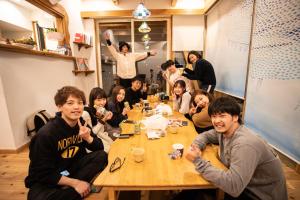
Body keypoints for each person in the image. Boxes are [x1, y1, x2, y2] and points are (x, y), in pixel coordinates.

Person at [185, 97, 287, 200]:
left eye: (222, 116)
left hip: (257, 195)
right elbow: (205, 136)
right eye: (214, 116)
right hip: (243, 187)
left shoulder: (245, 144)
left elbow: (233, 186)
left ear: (235, 117)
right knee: (193, 188)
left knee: (197, 187)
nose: (216, 121)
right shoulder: (224, 131)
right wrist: (196, 147)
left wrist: (198, 161)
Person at [25, 86, 108, 200]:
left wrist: (88, 137)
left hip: (71, 168)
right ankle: (79, 188)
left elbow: (99, 148)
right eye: (70, 103)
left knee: (102, 156)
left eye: (80, 103)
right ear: (59, 107)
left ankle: (74, 189)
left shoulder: (81, 123)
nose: (76, 107)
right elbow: (43, 173)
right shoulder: (45, 134)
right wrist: (76, 183)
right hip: (51, 176)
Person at [82, 87, 119, 152]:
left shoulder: (100, 109)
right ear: (92, 100)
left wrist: (106, 117)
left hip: (103, 136)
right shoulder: (86, 113)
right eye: (98, 100)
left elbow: (104, 127)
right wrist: (103, 120)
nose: (102, 102)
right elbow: (92, 133)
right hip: (94, 143)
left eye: (104, 99)